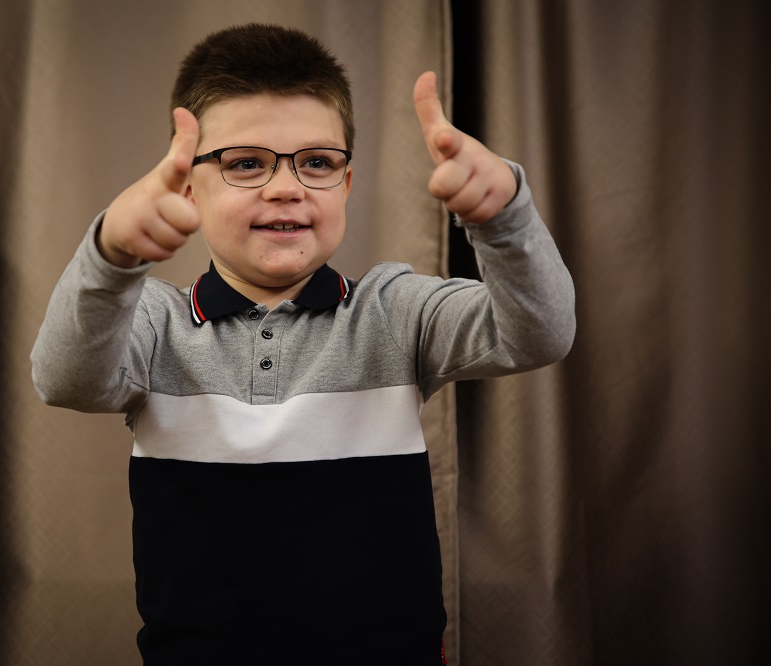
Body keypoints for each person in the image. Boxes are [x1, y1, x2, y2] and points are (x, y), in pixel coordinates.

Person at [31, 23, 574, 665]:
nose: (286, 187)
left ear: (346, 184)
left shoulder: (394, 310)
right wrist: (111, 258)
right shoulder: (153, 322)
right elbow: (63, 377)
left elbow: (539, 332)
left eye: (317, 162)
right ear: (188, 188)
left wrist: (504, 218)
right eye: (245, 163)